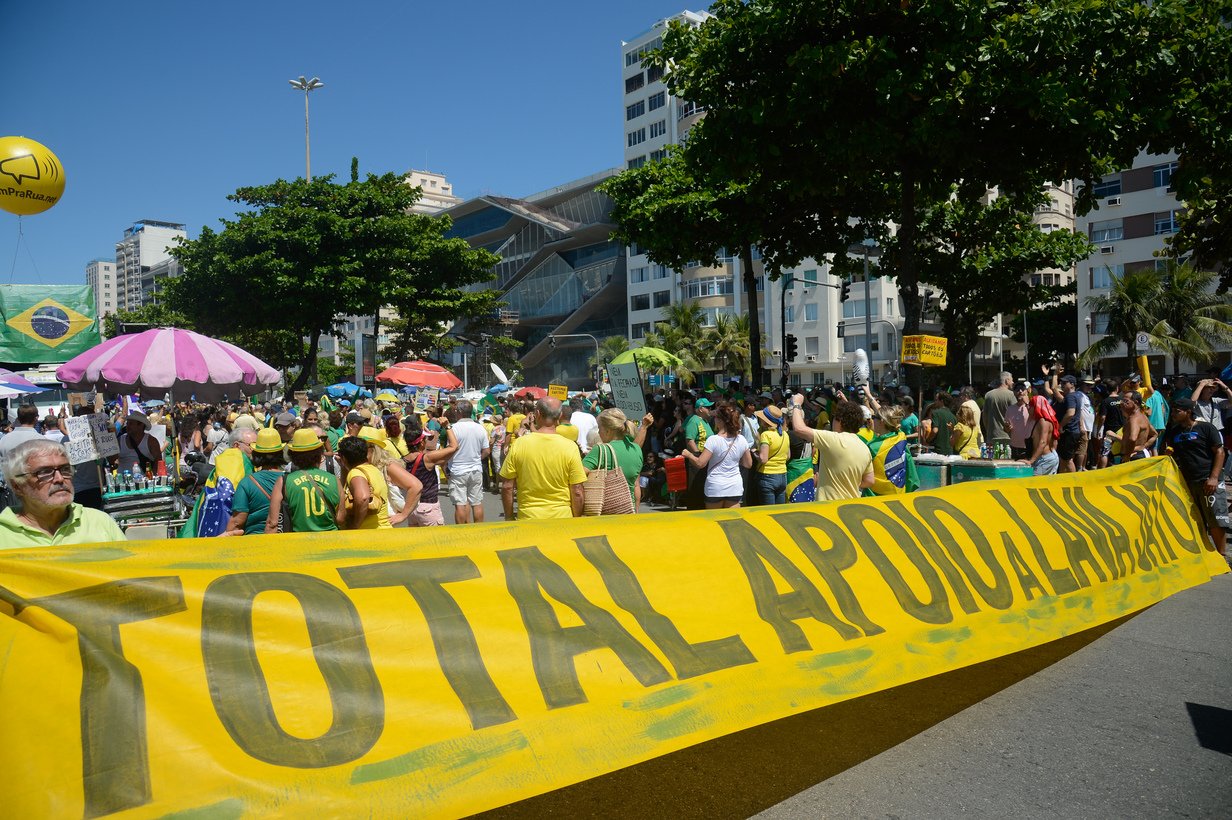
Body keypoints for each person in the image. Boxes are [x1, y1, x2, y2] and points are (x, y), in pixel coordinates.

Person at [0, 439, 125, 548]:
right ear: (17, 486)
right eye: (44, 472)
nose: (59, 479)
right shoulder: (4, 533)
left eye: (65, 469)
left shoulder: (99, 522)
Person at [500, 397, 587, 520]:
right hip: (562, 519)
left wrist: (509, 517)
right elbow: (577, 490)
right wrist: (576, 518)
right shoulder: (570, 447)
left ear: (538, 414)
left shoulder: (519, 444)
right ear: (560, 415)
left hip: (529, 518)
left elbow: (507, 486)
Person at [1162, 398, 1227, 556]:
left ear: (1189, 412)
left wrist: (1213, 477)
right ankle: (1203, 554)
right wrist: (1169, 454)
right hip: (1188, 483)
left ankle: (1222, 556)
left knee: (1215, 519)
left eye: (1178, 411)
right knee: (1196, 519)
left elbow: (1220, 452)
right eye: (1173, 410)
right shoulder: (1175, 432)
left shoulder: (1206, 428)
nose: (1174, 414)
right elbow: (1173, 454)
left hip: (1209, 481)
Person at [788, 393, 874, 501]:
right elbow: (870, 480)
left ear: (840, 422)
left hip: (828, 506)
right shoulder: (864, 447)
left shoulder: (833, 439)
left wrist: (796, 404)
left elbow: (799, 429)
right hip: (852, 504)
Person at [267, 428, 341, 533]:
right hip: (331, 541)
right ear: (319, 454)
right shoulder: (334, 480)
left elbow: (272, 523)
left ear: (293, 455)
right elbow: (340, 518)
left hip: (299, 543)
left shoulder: (283, 481)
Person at [682, 401, 752, 509]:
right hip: (735, 486)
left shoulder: (713, 440)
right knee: (732, 520)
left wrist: (688, 455)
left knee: (714, 521)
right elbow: (748, 464)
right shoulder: (741, 439)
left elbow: (700, 463)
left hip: (715, 487)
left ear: (720, 420)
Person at [582, 408, 648, 510]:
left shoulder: (600, 450)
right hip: (629, 510)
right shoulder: (636, 449)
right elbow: (636, 485)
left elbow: (577, 476)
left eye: (600, 428)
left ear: (608, 431)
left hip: (605, 512)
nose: (599, 432)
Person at [224, 428, 285, 535]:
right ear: (280, 453)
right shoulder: (290, 480)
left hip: (253, 542)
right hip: (286, 541)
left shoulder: (247, 482)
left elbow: (237, 521)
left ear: (257, 453)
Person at [402, 415, 458, 526]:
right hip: (428, 508)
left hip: (411, 507)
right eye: (425, 439)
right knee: (435, 542)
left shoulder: (403, 460)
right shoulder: (427, 458)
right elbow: (454, 446)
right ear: (422, 443)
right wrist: (447, 426)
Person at [447, 399, 490, 524]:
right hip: (475, 468)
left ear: (459, 412)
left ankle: (461, 531)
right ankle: (479, 530)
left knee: (460, 503)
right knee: (477, 502)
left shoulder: (454, 428)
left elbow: (449, 449)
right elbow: (486, 451)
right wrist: (477, 458)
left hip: (458, 469)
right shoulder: (480, 428)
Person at [336, 435, 392, 529]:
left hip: (368, 533)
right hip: (382, 529)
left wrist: (355, 525)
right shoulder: (373, 469)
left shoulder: (356, 473)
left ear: (344, 458)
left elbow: (363, 498)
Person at [865, 405, 919, 496]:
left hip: (877, 496)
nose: (872, 420)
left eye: (874, 417)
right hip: (899, 492)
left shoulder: (872, 447)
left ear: (882, 421)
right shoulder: (901, 436)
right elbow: (909, 465)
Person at [753, 404, 789, 505]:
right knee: (779, 512)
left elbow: (763, 459)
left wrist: (754, 452)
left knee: (767, 512)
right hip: (782, 475)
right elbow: (788, 456)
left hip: (767, 476)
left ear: (765, 421)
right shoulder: (785, 434)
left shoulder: (766, 435)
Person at [1110, 390, 1157, 461]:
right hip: (1139, 453)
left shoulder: (1134, 419)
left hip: (1134, 456)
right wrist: (1143, 446)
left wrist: (1127, 455)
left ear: (1136, 402)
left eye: (1126, 401)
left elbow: (1133, 438)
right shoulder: (1143, 416)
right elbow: (1155, 434)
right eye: (1122, 400)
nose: (1122, 403)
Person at [115, 410, 164, 476]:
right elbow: (112, 460)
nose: (128, 426)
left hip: (144, 483)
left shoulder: (151, 441)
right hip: (123, 482)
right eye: (127, 423)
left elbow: (158, 463)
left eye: (131, 424)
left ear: (141, 425)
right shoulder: (120, 440)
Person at [1023, 395, 1060, 475]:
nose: (1028, 407)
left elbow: (1043, 442)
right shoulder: (1050, 420)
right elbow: (1055, 442)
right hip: (1050, 456)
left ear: (1036, 406)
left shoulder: (1042, 421)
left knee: (1034, 483)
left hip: (1044, 459)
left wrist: (1031, 461)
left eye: (1030, 405)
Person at [982, 372, 1016, 451]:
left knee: (994, 460)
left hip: (992, 436)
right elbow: (1015, 415)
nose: (1013, 382)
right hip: (1008, 436)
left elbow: (984, 416)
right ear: (1007, 381)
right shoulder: (1011, 395)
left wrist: (989, 430)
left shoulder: (988, 395)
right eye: (1012, 380)